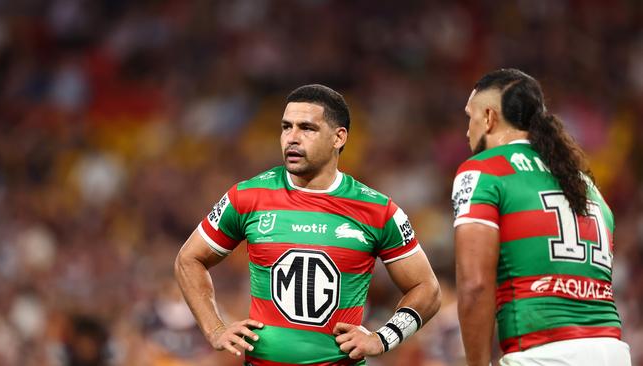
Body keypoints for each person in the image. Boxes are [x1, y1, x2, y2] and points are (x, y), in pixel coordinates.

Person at [175, 84, 441, 365]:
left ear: (339, 137)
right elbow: (188, 259)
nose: (292, 138)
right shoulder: (247, 196)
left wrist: (384, 337)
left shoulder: (378, 210)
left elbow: (427, 289)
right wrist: (215, 328)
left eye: (307, 128)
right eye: (286, 127)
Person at [451, 68, 632, 365]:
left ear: (489, 118)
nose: (466, 130)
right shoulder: (587, 187)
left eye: (469, 117)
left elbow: (474, 285)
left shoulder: (483, 170)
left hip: (542, 352)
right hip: (613, 350)